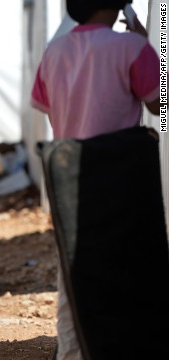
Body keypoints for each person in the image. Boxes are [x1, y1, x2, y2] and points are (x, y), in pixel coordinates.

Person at [31, 1, 160, 359]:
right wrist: (146, 44)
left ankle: (72, 352)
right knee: (124, 266)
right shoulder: (132, 47)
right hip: (118, 174)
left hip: (66, 173)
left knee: (71, 274)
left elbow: (44, 105)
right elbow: (157, 105)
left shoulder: (54, 51)